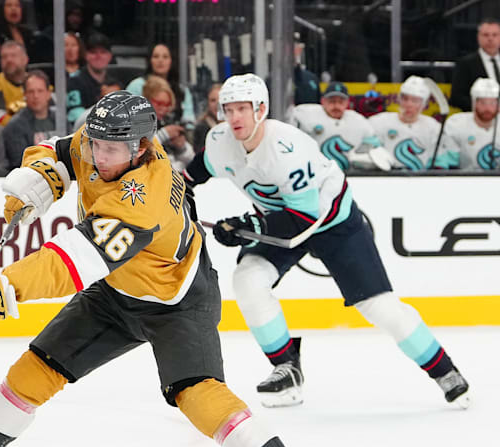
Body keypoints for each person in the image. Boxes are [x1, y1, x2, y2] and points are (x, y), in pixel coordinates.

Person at [0, 90, 343, 447]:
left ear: (141, 147)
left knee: (198, 395)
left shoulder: (142, 199)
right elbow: (61, 150)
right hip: (116, 293)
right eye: (97, 144)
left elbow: (66, 264)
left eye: (111, 149)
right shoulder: (104, 139)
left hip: (177, 302)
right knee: (34, 369)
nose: (99, 156)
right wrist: (42, 177)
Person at [183, 74, 471, 409]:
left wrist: (245, 226)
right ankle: (287, 368)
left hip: (332, 223)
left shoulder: (287, 148)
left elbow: (302, 220)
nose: (235, 118)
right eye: (229, 109)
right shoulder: (220, 140)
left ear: (260, 109)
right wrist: (179, 195)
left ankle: (445, 371)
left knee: (379, 306)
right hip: (282, 219)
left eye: (243, 109)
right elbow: (197, 170)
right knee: (248, 279)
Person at [291, 81, 391, 172]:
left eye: (341, 101)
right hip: (314, 175)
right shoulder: (306, 114)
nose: (336, 106)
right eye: (332, 101)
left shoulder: (358, 121)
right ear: (323, 101)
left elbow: (374, 147)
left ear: (347, 103)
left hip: (350, 177)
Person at [366, 76, 447, 170]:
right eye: (405, 99)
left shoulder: (434, 128)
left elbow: (441, 162)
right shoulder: (379, 122)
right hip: (388, 180)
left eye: (415, 100)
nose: (409, 104)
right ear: (399, 100)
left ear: (424, 104)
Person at [439, 77, 500, 171]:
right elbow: (447, 163)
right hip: (466, 181)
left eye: (492, 103)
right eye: (483, 103)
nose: (488, 108)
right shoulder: (457, 124)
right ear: (474, 103)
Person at [127, 43, 194, 127]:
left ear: (171, 61)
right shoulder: (136, 85)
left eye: (165, 57)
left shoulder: (182, 90)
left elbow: (189, 123)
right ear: (150, 61)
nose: (160, 60)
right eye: (156, 56)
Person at [1, 69, 54, 168]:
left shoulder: (60, 119)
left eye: (40, 91)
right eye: (31, 91)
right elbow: (20, 163)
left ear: (48, 93)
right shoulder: (14, 126)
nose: (36, 96)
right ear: (24, 95)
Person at [143, 75, 193, 172]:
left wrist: (181, 148)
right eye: (159, 103)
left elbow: (191, 159)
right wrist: (164, 134)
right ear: (147, 100)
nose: (163, 109)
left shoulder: (169, 121)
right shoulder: (135, 122)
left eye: (167, 105)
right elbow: (139, 153)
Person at [450, 19, 500, 112]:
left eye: (495, 35)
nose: (490, 39)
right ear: (478, 37)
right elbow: (456, 97)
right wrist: (483, 108)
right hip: (476, 119)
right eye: (486, 35)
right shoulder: (466, 63)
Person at [65, 31, 111, 125]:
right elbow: (75, 118)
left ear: (110, 56)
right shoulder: (74, 82)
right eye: (93, 52)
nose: (98, 56)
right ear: (86, 55)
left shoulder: (115, 83)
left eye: (103, 52)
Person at [0, 39, 26, 125]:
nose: (9, 60)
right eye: (4, 57)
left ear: (25, 59)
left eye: (13, 56)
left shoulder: (37, 81)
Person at [192, 83, 220, 150]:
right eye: (213, 100)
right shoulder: (201, 127)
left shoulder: (236, 124)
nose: (217, 104)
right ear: (207, 103)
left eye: (221, 99)